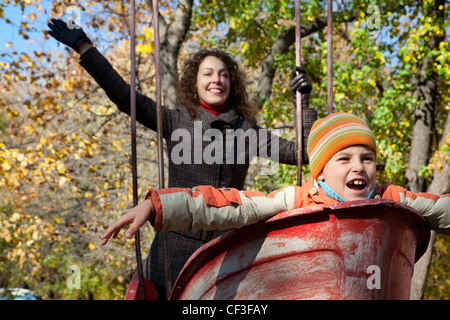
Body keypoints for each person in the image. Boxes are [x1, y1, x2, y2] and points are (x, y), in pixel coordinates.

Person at [47, 18, 317, 298]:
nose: (217, 80)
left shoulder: (246, 130)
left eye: (224, 74)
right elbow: (124, 96)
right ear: (195, 82)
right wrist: (84, 47)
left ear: (232, 82)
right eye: (208, 74)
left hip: (226, 250)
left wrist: (303, 104)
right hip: (173, 252)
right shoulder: (176, 121)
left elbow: (305, 154)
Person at [101, 112, 450, 247]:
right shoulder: (298, 200)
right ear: (321, 171)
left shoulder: (391, 200)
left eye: (367, 159)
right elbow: (232, 206)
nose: (358, 167)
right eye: (343, 158)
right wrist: (155, 204)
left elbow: (439, 209)